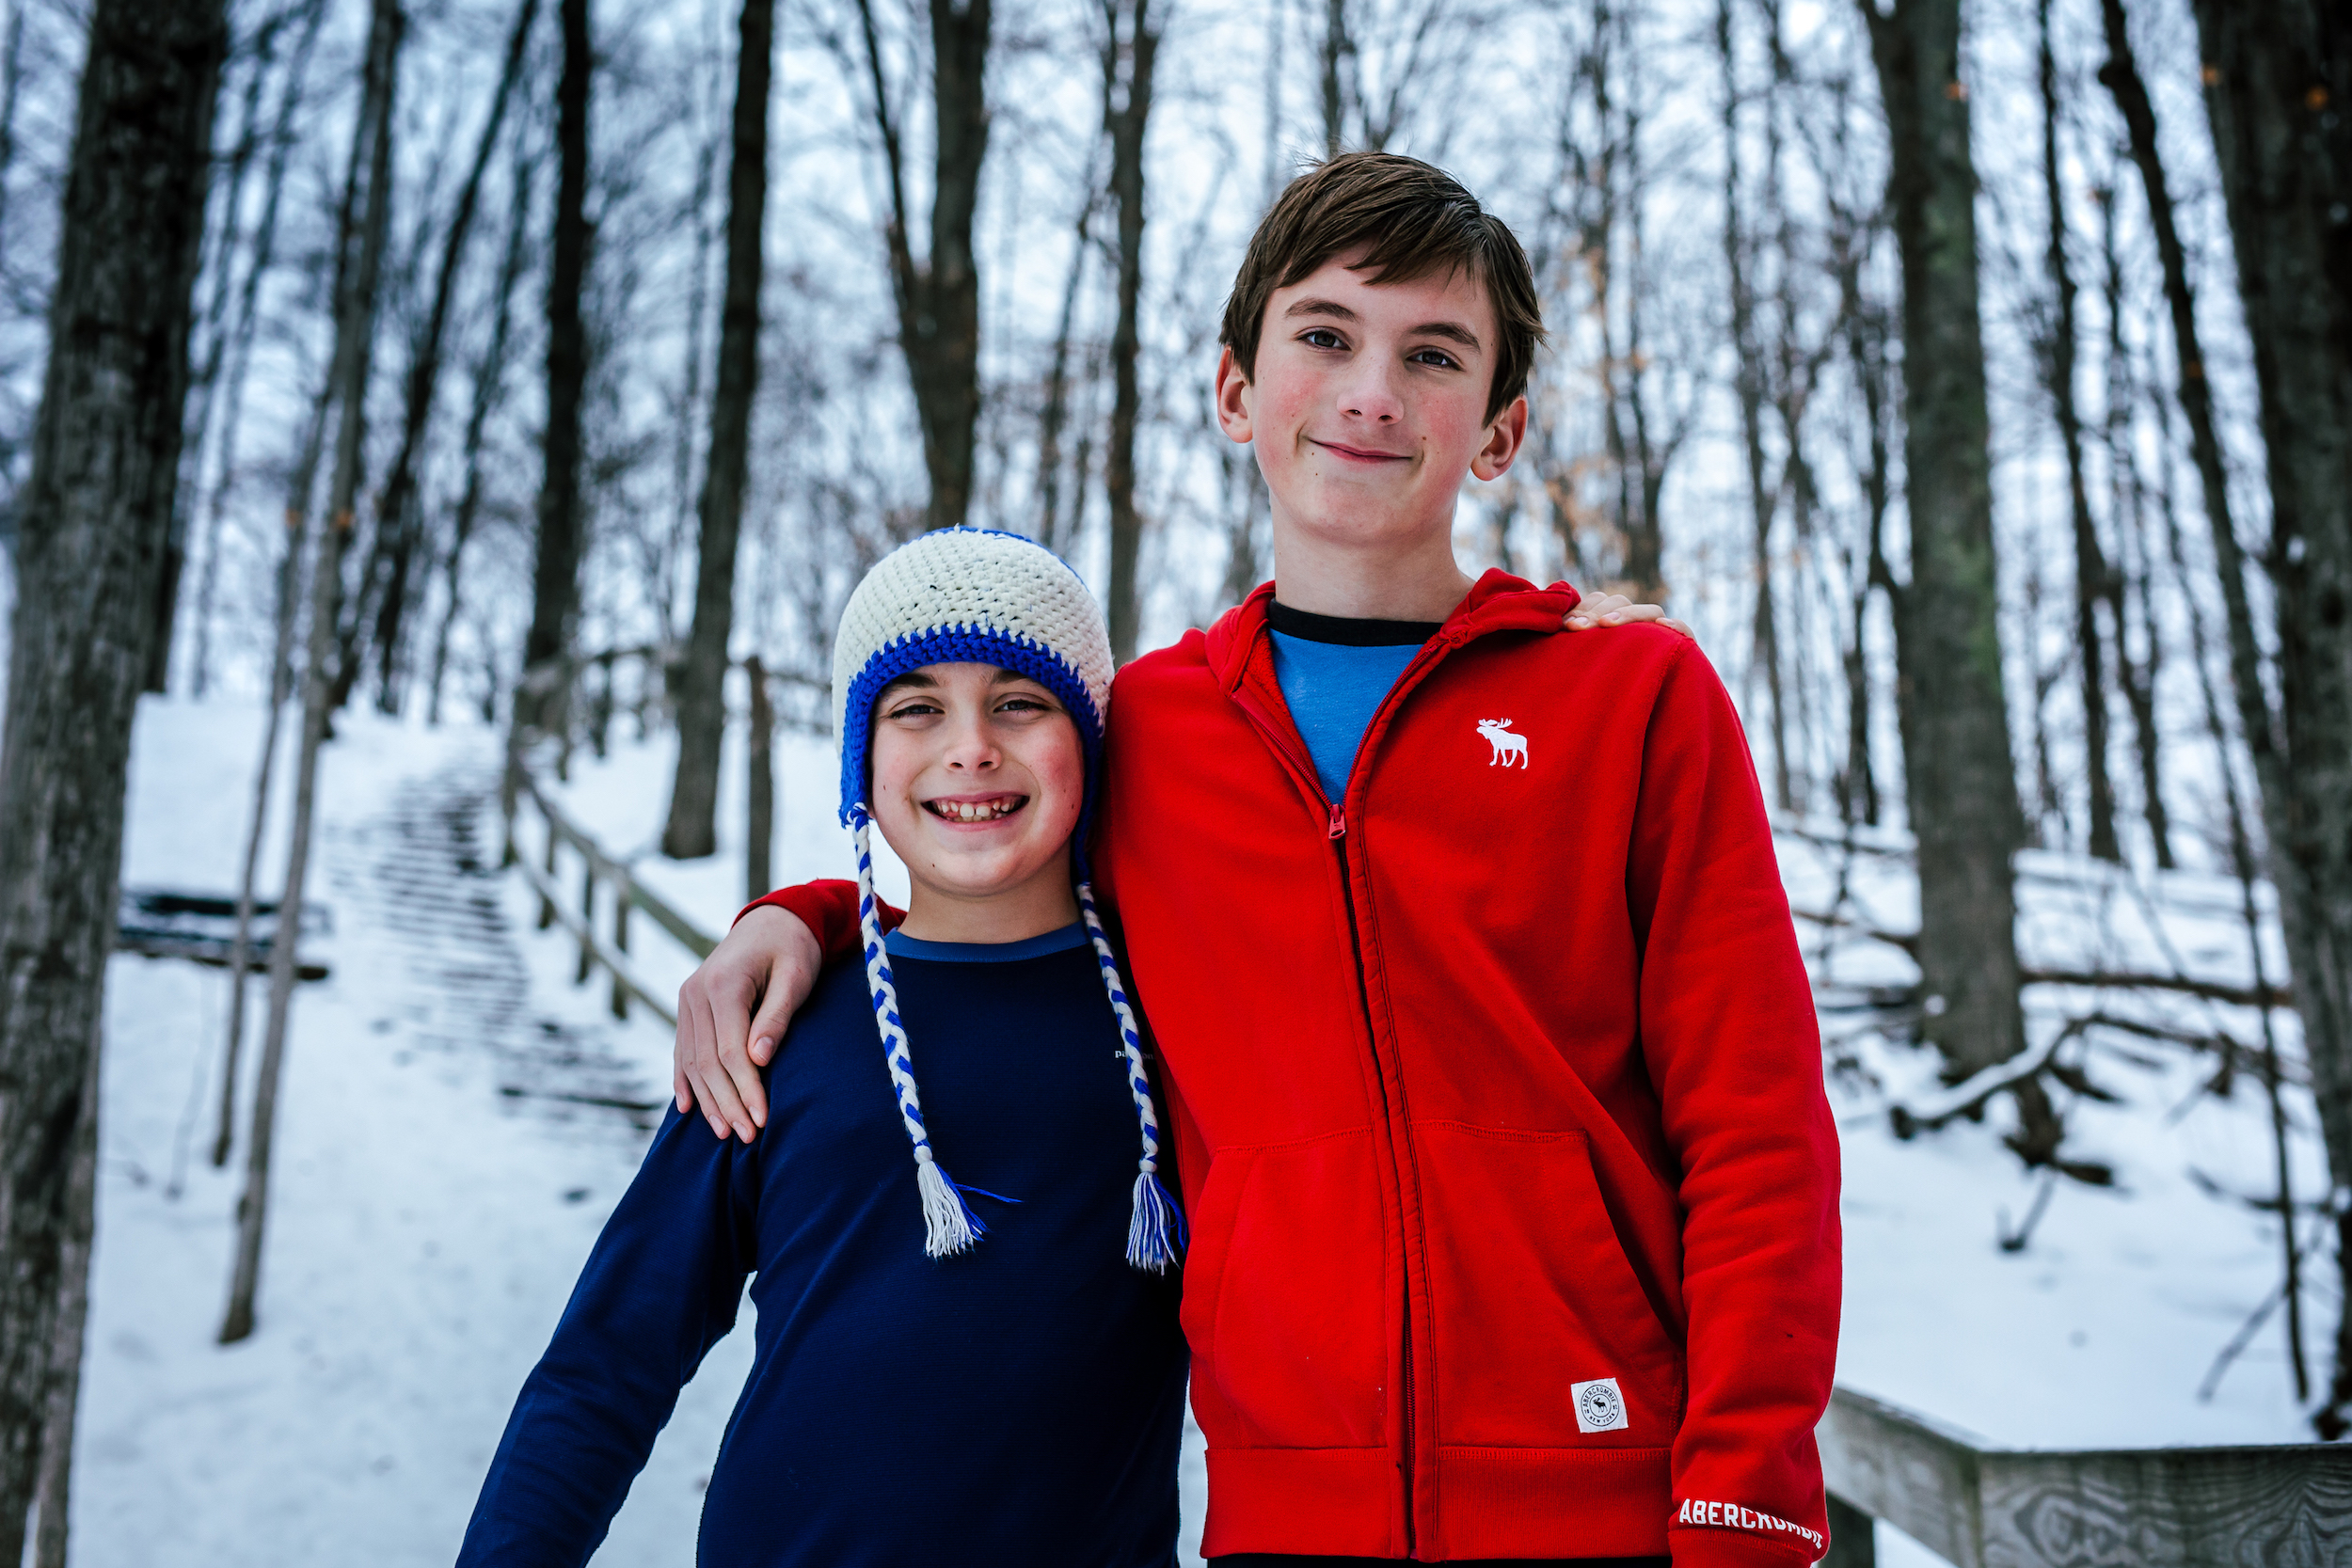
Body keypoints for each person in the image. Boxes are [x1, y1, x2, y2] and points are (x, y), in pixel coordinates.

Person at [675, 152, 1840, 1567]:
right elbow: (989, 858)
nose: (1373, 391)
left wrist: (1745, 1506)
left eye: (1434, 354)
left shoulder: (1633, 699)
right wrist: (803, 916)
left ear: (1500, 428)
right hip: (1287, 1520)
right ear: (1237, 389)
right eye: (1328, 336)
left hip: (1610, 1505)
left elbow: (1758, 1127)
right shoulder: (1153, 730)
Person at [457, 530, 1191, 1567]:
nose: (970, 744)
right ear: (862, 754)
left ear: (1091, 737)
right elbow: (607, 1363)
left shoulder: (1176, 1021)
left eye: (1021, 700)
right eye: (916, 707)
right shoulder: (771, 1024)